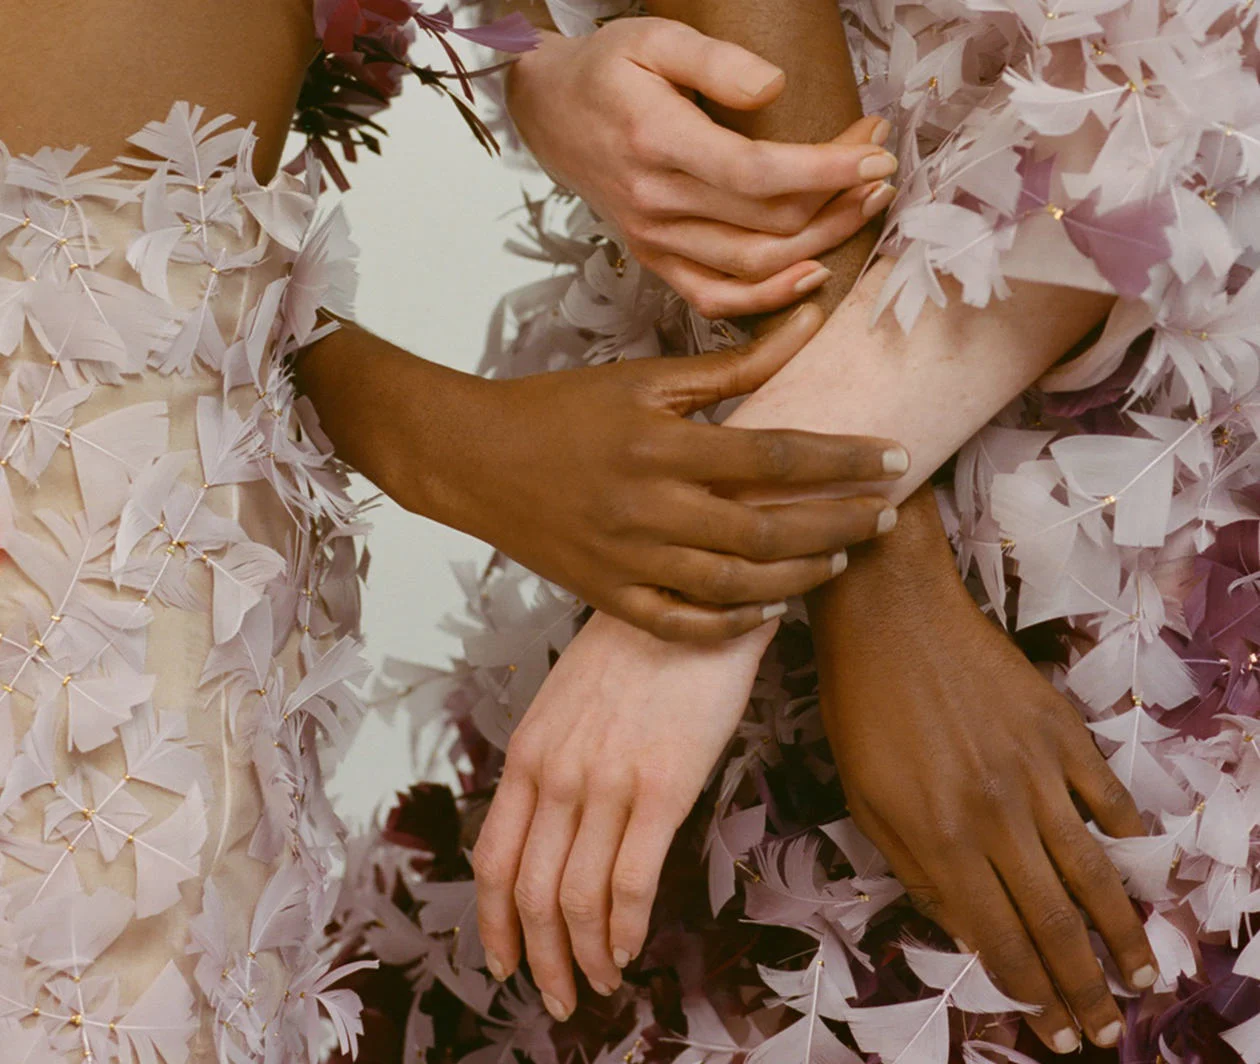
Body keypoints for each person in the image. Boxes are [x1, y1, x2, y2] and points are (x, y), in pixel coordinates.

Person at [334, 0, 1260, 1062]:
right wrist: (544, 61)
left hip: (1142, 450)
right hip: (784, 466)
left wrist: (744, 568)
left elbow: (1174, 89)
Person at [0, 2, 921, 1060]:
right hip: (96, 551)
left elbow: (136, 250)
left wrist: (537, 56)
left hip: (107, 582)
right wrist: (432, 437)